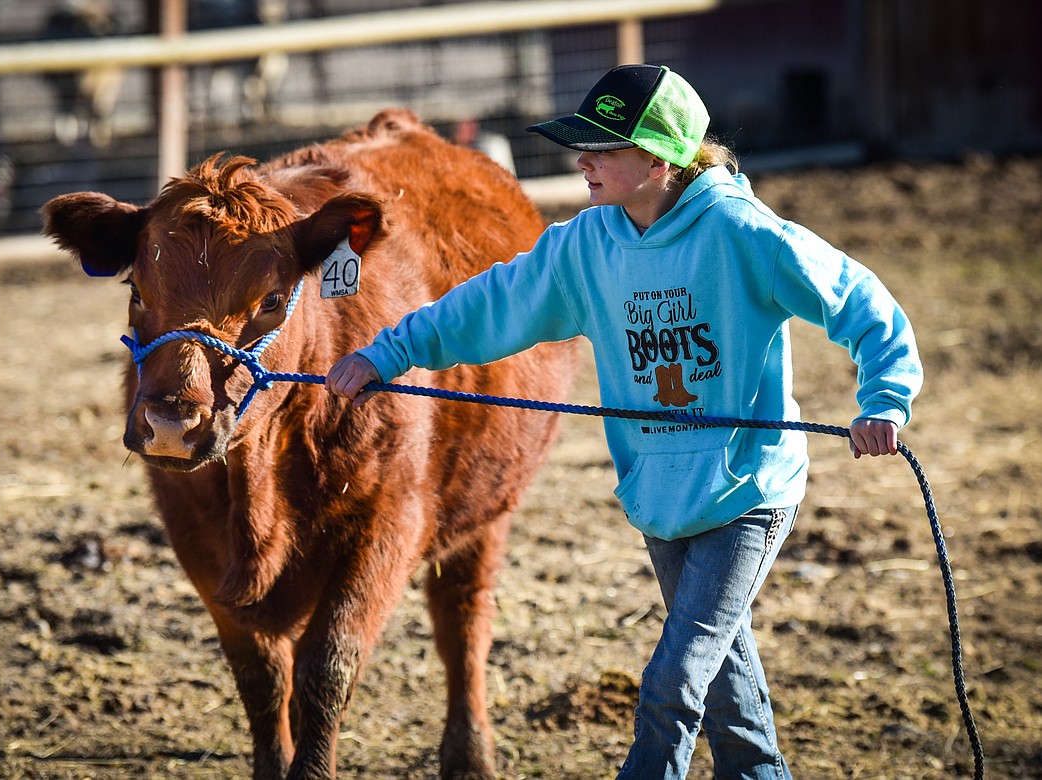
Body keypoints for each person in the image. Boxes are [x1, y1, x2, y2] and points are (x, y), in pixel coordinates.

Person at [325, 64, 922, 778]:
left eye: (604, 148)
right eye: (584, 145)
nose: (583, 161)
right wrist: (388, 354)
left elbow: (858, 299)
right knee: (728, 694)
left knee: (672, 684)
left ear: (660, 158)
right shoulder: (586, 246)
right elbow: (488, 304)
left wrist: (883, 398)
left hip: (746, 493)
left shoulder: (740, 232)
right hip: (657, 494)